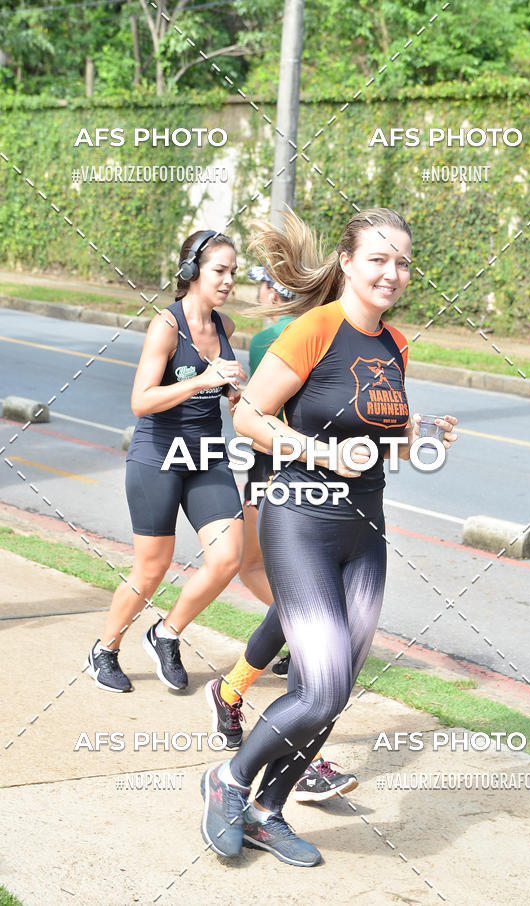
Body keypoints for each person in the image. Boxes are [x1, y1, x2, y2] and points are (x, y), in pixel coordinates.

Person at [201, 207, 458, 866]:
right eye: (378, 258)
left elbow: (381, 436)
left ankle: (267, 810)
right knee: (317, 687)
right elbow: (251, 418)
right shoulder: (315, 328)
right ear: (347, 262)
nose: (391, 272)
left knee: (337, 689)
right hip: (300, 519)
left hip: (363, 531)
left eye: (400, 261)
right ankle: (227, 782)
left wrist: (420, 433)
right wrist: (316, 453)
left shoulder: (394, 344)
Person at [205, 264, 358, 803]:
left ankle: (231, 690)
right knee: (304, 617)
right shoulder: (287, 335)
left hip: (335, 488)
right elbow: (261, 415)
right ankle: (305, 760)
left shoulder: (358, 339)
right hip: (284, 479)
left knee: (297, 612)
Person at [84, 230, 247, 692]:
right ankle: (105, 650)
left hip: (208, 456)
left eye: (233, 271)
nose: (229, 279)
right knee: (153, 567)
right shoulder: (166, 326)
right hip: (158, 455)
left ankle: (166, 633)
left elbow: (228, 394)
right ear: (191, 272)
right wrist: (202, 380)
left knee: (227, 557)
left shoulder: (225, 328)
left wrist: (237, 392)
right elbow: (141, 400)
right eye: (220, 270)